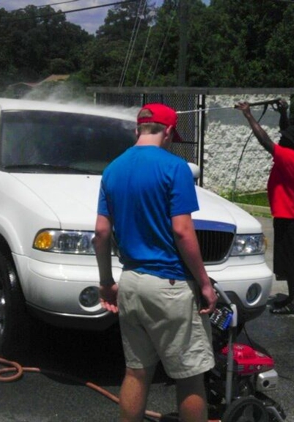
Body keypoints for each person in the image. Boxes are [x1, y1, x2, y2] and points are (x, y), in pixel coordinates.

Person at [93, 103, 217, 422]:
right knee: (189, 377)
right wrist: (204, 283)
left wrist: (107, 283)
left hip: (131, 282)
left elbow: (101, 232)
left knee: (136, 372)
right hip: (170, 286)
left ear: (138, 130)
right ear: (170, 132)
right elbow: (182, 230)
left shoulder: (112, 169)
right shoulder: (175, 168)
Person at [235, 99, 294, 315]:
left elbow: (264, 140)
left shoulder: (287, 157)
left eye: (284, 139)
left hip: (289, 216)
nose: (281, 139)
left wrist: (248, 114)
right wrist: (283, 112)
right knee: (290, 259)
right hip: (293, 213)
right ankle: (291, 297)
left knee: (292, 260)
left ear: (290, 144)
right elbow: (286, 131)